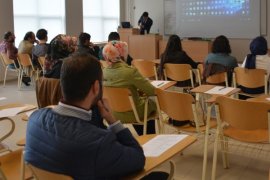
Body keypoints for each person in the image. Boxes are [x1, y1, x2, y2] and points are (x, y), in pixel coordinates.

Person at [24, 53, 145, 179]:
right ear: (96, 87)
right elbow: (138, 158)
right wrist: (112, 121)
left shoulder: (34, 118)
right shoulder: (98, 142)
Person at [102, 41, 156, 135]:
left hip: (114, 114)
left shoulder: (103, 72)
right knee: (151, 103)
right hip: (133, 113)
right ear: (122, 54)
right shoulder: (130, 72)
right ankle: (150, 137)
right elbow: (152, 91)